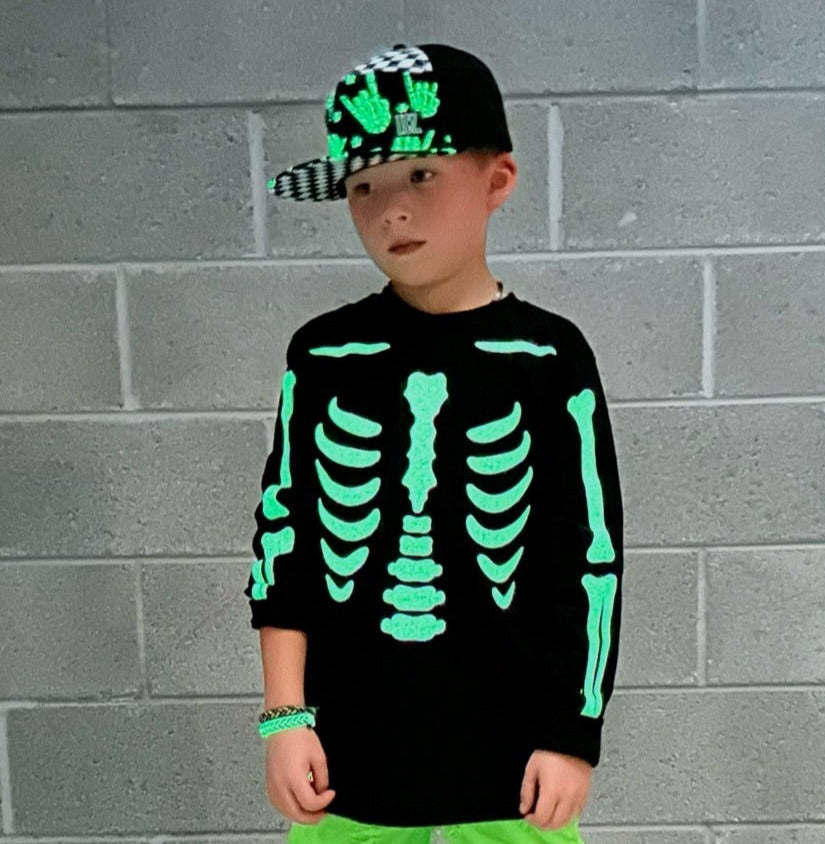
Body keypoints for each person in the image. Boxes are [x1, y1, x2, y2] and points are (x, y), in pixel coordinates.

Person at [244, 42, 624, 844]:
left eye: (421, 174)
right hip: (345, 758)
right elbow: (286, 542)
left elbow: (589, 557)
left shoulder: (549, 357)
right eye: (363, 186)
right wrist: (284, 715)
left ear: (498, 181)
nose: (392, 210)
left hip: (517, 760)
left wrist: (573, 732)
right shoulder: (324, 355)